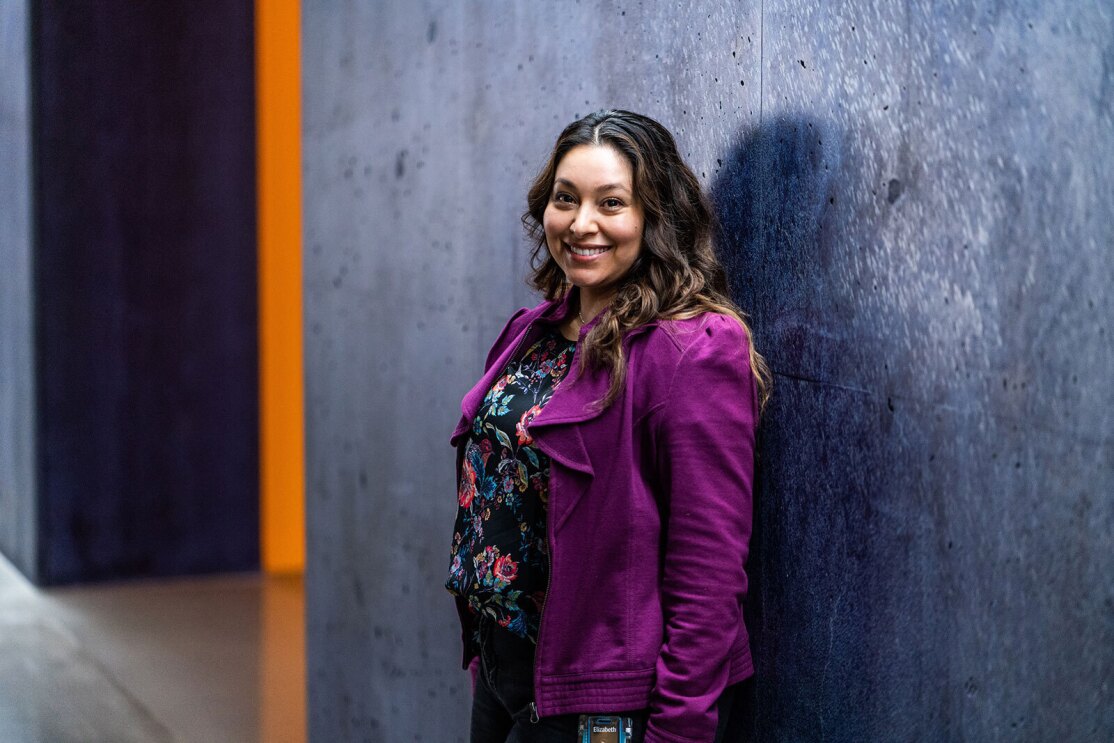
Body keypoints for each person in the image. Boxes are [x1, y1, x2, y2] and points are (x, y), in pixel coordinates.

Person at [446, 109, 771, 743]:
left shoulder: (694, 350)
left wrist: (677, 731)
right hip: (508, 672)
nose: (582, 223)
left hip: (607, 705)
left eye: (612, 203)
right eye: (566, 199)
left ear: (654, 219)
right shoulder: (531, 332)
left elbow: (709, 571)